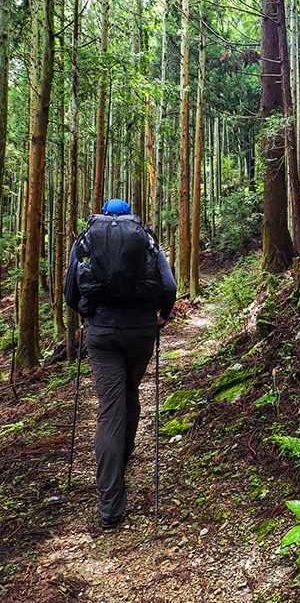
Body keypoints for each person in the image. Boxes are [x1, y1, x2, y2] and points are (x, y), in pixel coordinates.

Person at [63, 198, 176, 530]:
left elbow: (71, 290)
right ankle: (121, 459)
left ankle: (111, 504)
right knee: (130, 393)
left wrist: (88, 314)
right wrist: (161, 316)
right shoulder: (145, 236)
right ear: (128, 216)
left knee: (110, 409)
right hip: (141, 331)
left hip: (103, 333)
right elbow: (168, 285)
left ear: (105, 215)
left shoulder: (87, 238)